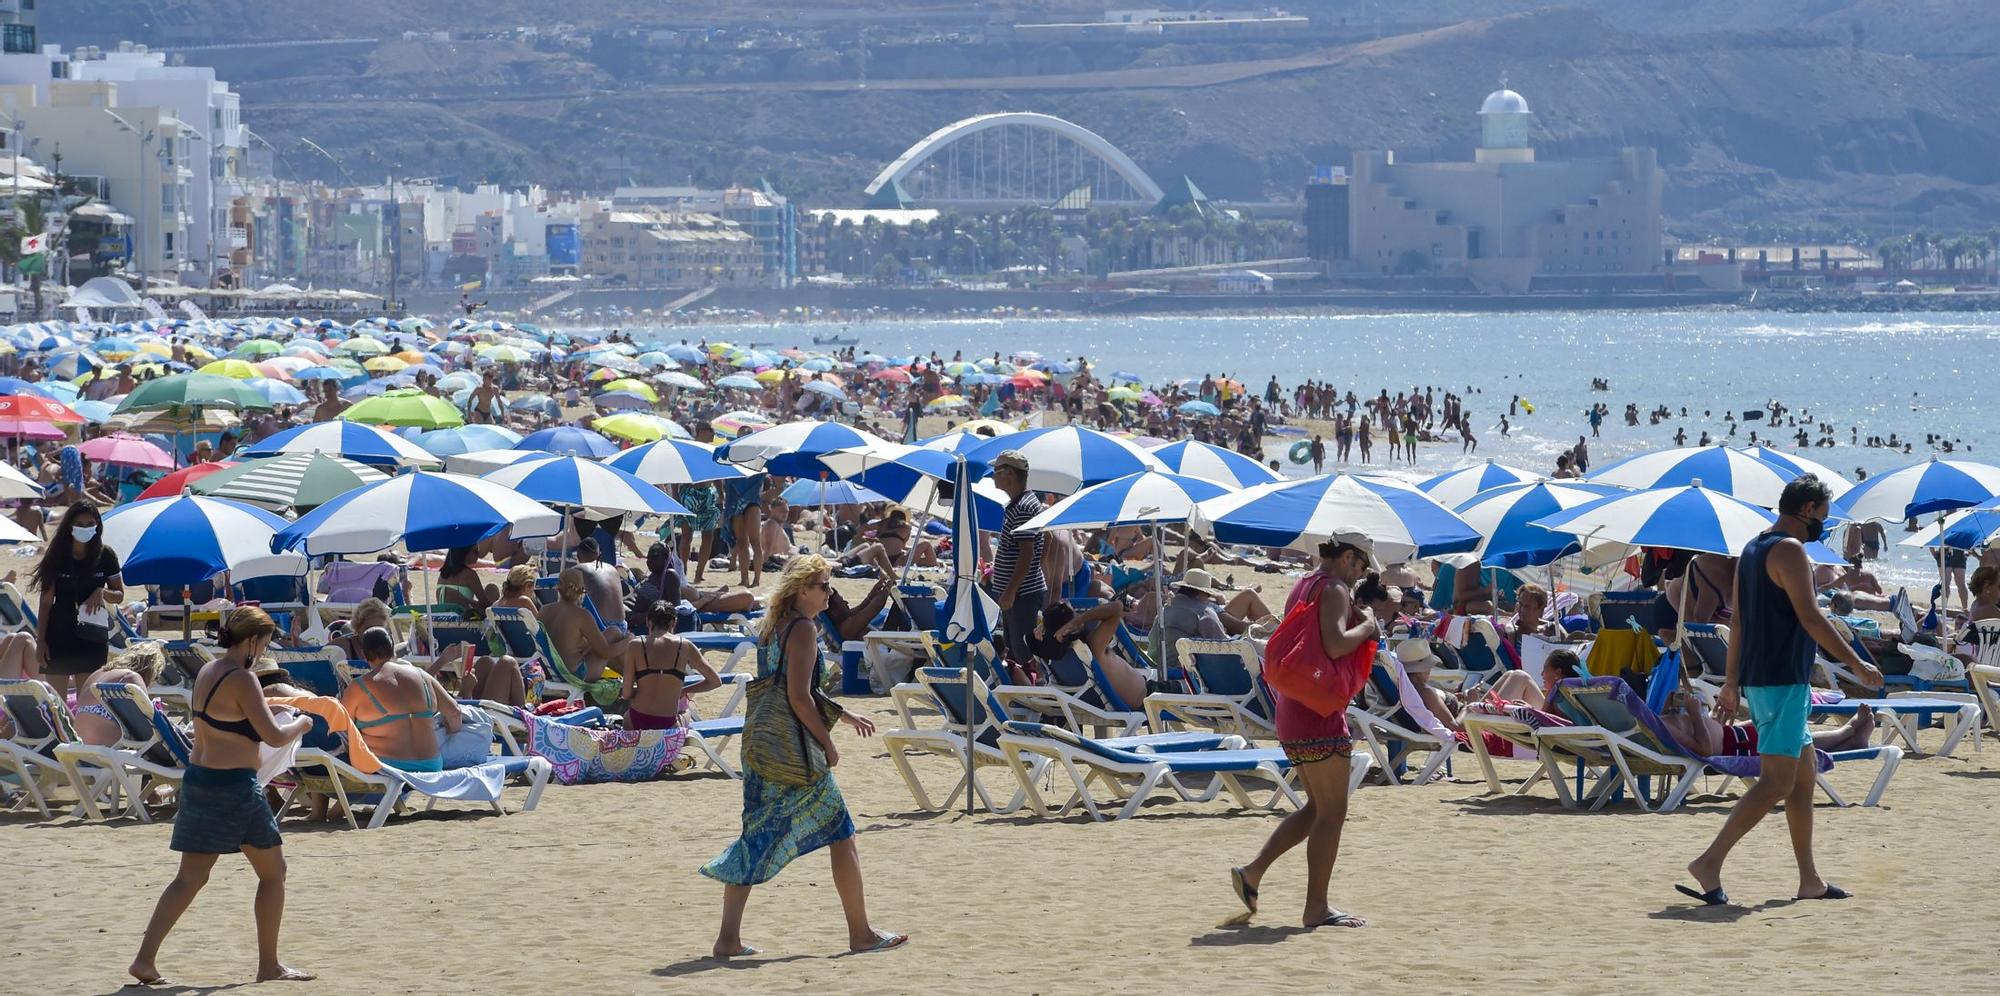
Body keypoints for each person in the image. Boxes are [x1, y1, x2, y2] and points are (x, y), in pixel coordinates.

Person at [1681, 475, 1883, 907]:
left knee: (1803, 780)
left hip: (1765, 677)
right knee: (1775, 782)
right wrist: (1855, 664)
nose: (1822, 528)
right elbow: (1811, 618)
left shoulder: (1752, 548)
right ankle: (1709, 861)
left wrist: (1732, 683)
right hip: (1781, 679)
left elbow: (1738, 622)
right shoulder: (1790, 551)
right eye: (1823, 518)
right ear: (1807, 508)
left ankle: (1809, 880)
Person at [702, 555, 906, 958]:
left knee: (756, 833)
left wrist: (843, 715)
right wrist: (827, 743)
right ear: (802, 590)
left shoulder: (773, 626)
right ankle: (860, 934)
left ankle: (728, 938)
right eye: (824, 586)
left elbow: (788, 688)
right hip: (790, 750)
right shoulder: (802, 630)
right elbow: (797, 696)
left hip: (760, 741)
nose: (830, 593)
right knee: (842, 833)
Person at [129, 608, 314, 986]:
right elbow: (275, 737)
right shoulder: (244, 678)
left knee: (188, 879)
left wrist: (271, 710)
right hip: (234, 789)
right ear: (252, 641)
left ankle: (144, 960)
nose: (263, 651)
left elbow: (231, 716)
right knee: (274, 873)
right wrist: (302, 722)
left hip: (200, 782)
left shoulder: (209, 671)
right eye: (263, 644)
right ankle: (269, 965)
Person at [1231, 532, 1378, 930]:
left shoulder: (1305, 583)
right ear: (1349, 557)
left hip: (1294, 707)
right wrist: (1368, 626)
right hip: (1317, 709)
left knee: (1317, 809)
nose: (1361, 576)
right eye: (1362, 567)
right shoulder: (1334, 588)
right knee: (1332, 813)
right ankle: (1316, 908)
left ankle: (1253, 873)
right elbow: (1334, 644)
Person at [32, 501, 124, 703]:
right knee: (56, 705)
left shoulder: (105, 555)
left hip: (92, 637)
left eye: (90, 523)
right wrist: (40, 641)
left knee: (88, 703)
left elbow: (119, 594)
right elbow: (46, 602)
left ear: (97, 525)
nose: (85, 528)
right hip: (58, 635)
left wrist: (101, 591)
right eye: (80, 524)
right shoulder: (57, 555)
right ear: (70, 526)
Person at [339, 627, 459, 773]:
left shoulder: (359, 686)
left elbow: (342, 729)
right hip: (431, 766)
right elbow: (454, 713)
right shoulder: (422, 676)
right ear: (393, 649)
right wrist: (451, 736)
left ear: (364, 655)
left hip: (385, 767)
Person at [619, 601, 722, 730]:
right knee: (686, 712)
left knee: (627, 715)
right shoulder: (685, 646)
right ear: (674, 623)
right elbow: (715, 681)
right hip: (668, 724)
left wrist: (645, 690)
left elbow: (626, 694)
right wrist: (683, 691)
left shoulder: (635, 645)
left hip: (636, 721)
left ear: (648, 622)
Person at [990, 450, 1047, 675]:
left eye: (997, 471)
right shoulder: (1020, 504)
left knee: (1022, 653)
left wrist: (1011, 590)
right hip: (1022, 590)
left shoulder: (1023, 507)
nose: (993, 476)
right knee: (1015, 649)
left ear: (1010, 474)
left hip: (1022, 594)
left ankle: (1030, 697)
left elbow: (1027, 553)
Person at [1159, 568, 1274, 672]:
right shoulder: (1204, 614)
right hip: (1193, 671)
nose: (1207, 600)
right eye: (1208, 596)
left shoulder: (1165, 609)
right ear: (1201, 594)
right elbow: (1226, 647)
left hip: (1162, 665)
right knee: (1259, 648)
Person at [539, 568, 634, 682]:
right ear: (582, 590)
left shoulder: (543, 610)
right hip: (574, 675)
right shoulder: (581, 615)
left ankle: (633, 678)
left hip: (549, 671)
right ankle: (636, 678)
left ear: (558, 588)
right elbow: (606, 652)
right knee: (614, 633)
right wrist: (628, 640)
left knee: (610, 634)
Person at [436, 546, 495, 616]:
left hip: (443, 617)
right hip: (464, 619)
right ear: (464, 552)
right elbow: (485, 603)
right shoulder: (469, 574)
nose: (478, 555)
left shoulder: (442, 575)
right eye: (475, 551)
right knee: (492, 589)